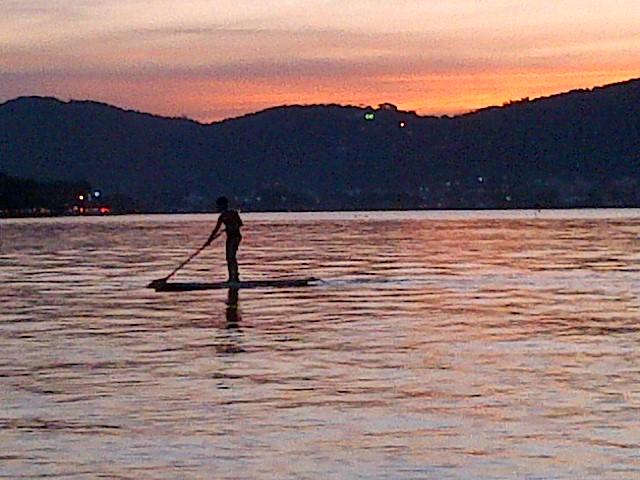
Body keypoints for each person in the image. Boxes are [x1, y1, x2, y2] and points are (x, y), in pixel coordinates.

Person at [205, 196, 243, 282]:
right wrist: (209, 241)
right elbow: (215, 230)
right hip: (229, 238)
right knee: (228, 257)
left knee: (231, 257)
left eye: (219, 206)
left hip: (236, 237)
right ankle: (231, 277)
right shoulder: (221, 217)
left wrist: (231, 226)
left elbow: (240, 224)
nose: (217, 208)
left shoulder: (233, 213)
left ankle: (235, 277)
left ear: (224, 205)